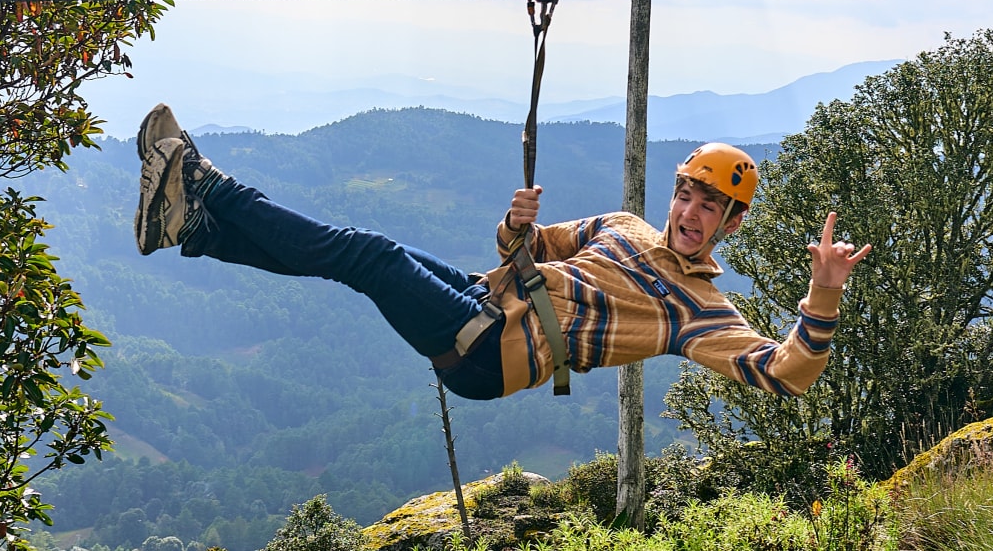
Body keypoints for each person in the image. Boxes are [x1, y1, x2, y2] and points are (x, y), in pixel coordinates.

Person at [131, 105, 870, 402]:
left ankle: (207, 187)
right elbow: (528, 246)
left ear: (729, 226)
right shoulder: (623, 226)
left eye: (711, 207)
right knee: (358, 253)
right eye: (688, 195)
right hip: (492, 301)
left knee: (367, 254)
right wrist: (516, 222)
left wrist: (824, 292)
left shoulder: (696, 308)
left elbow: (785, 374)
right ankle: (197, 230)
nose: (692, 214)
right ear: (673, 194)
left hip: (496, 351)